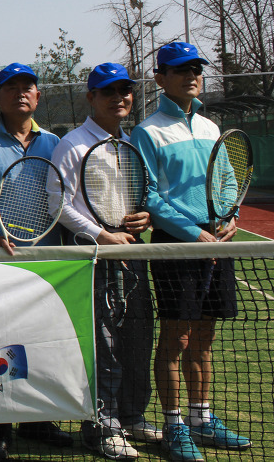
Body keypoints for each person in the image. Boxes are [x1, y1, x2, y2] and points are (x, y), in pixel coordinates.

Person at [131, 42, 251, 461]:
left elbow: (228, 180)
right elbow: (149, 195)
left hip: (216, 242)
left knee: (204, 336)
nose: (191, 76)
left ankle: (201, 419)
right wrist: (192, 233)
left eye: (196, 69)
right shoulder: (148, 131)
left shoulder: (211, 128)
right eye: (181, 69)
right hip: (176, 248)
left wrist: (230, 216)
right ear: (161, 78)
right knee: (177, 337)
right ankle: (174, 425)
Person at [50, 63, 159, 459]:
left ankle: (132, 416)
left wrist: (145, 217)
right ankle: (102, 426)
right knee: (104, 345)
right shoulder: (73, 144)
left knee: (138, 339)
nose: (118, 98)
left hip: (131, 255)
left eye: (124, 91)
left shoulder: (130, 143)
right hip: (94, 259)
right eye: (108, 92)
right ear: (91, 98)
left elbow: (140, 198)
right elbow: (57, 204)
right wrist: (101, 235)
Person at [0, 63, 72, 460]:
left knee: (42, 343)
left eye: (27, 86)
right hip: (0, 261)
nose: (20, 93)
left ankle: (37, 420)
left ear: (38, 96)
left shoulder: (55, 143)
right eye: (11, 87)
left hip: (47, 261)